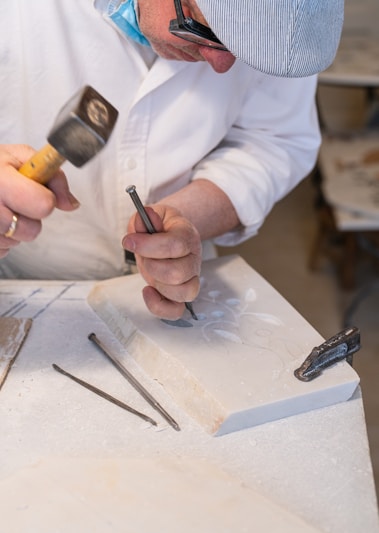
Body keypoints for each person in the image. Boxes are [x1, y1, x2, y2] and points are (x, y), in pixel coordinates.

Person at [0, 0, 343, 319]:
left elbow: (275, 139)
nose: (222, 65)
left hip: (182, 277)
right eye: (203, 26)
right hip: (21, 278)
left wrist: (187, 218)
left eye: (247, 53)